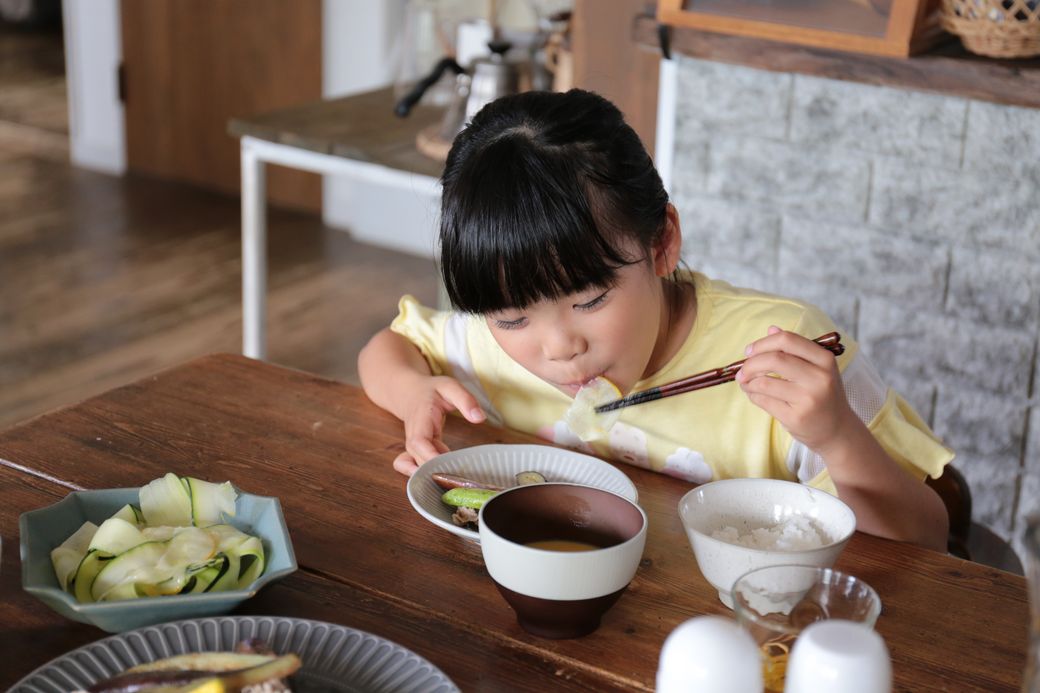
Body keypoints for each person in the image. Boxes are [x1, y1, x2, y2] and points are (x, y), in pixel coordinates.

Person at [358, 89, 952, 551]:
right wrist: (414, 393)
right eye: (512, 318)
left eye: (589, 301)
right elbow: (388, 348)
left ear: (662, 242)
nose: (558, 347)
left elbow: (925, 540)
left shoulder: (783, 354)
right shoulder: (491, 346)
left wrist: (837, 437)